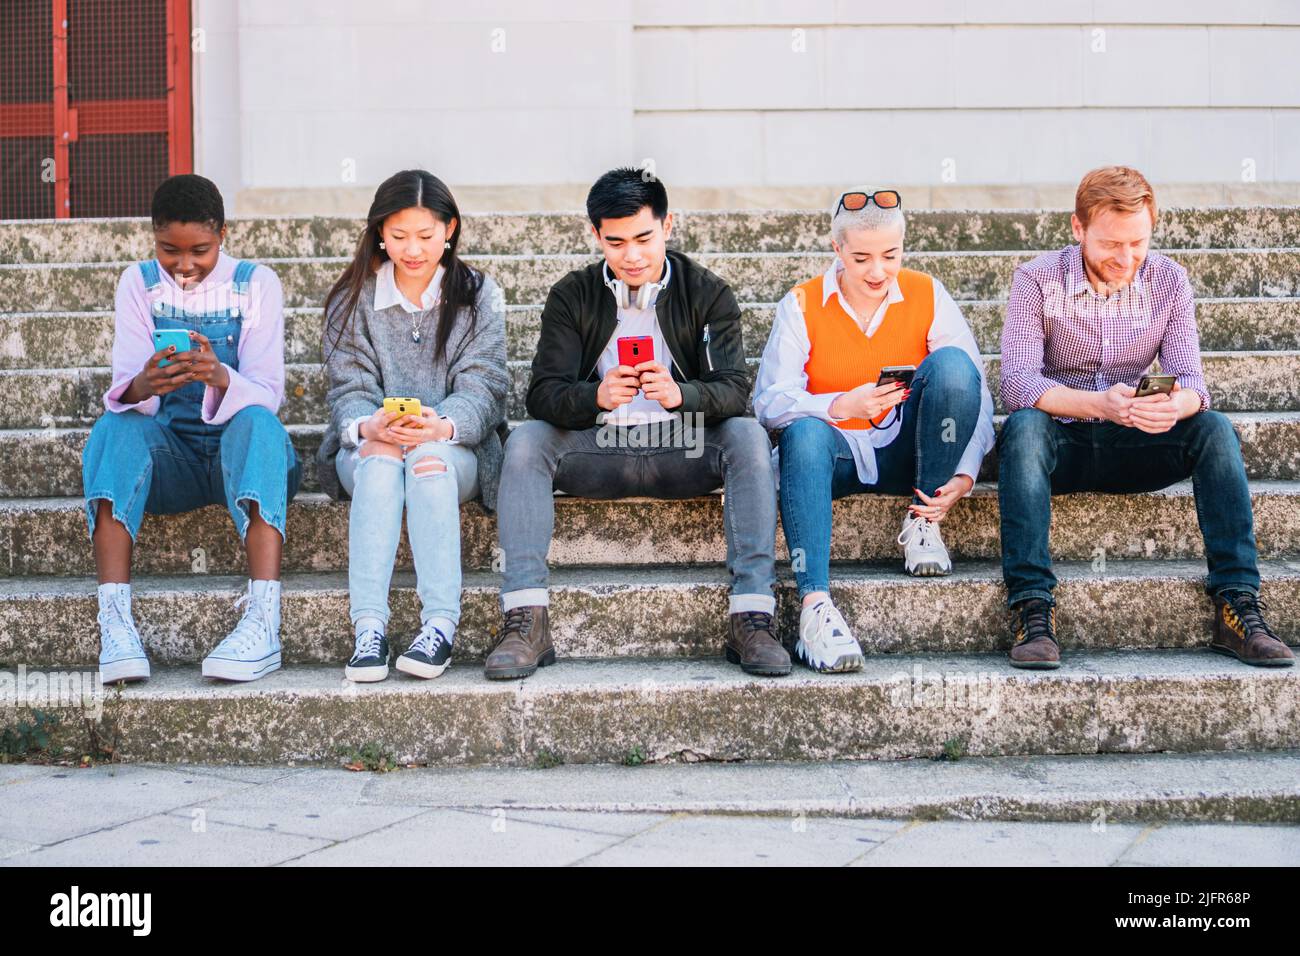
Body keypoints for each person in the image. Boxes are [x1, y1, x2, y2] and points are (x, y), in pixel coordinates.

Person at [490, 167, 787, 679]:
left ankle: (752, 616)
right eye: (616, 242)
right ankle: (526, 619)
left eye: (644, 238)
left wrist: (681, 394)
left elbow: (736, 390)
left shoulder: (708, 294)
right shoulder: (572, 295)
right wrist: (594, 396)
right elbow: (541, 394)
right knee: (526, 442)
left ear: (668, 226)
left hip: (681, 444)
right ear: (595, 236)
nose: (631, 256)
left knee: (748, 436)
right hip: (600, 445)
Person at [998, 165, 1293, 669]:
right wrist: (1098, 404)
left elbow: (1194, 385)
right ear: (1078, 228)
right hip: (1060, 446)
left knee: (1215, 429)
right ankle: (1033, 608)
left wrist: (1172, 405)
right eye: (1112, 244)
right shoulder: (1036, 279)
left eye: (1138, 243)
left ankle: (1237, 604)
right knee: (1023, 429)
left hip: (1134, 442)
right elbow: (1017, 384)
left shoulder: (1169, 280)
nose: (1126, 258)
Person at [754, 188, 994, 672]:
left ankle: (923, 519)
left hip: (911, 451)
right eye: (861, 257)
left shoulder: (929, 293)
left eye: (890, 255)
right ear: (837, 250)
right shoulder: (800, 303)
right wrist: (842, 403)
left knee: (952, 365)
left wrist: (964, 474)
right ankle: (814, 608)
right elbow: (770, 401)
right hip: (835, 452)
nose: (878, 271)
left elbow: (976, 392)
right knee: (802, 433)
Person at [82, 173, 301, 683]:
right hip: (172, 459)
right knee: (112, 429)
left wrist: (219, 375)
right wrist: (145, 384)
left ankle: (263, 621)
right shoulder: (138, 283)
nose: (184, 266)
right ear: (153, 237)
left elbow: (268, 392)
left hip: (243, 460)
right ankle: (115, 623)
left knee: (257, 423)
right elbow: (123, 390)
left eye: (199, 250)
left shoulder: (255, 284)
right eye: (168, 250)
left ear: (223, 234)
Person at [319, 169, 509, 682]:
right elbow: (347, 386)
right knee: (380, 466)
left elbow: (487, 386)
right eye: (399, 235)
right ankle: (369, 628)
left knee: (426, 464)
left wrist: (441, 425)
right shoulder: (352, 296)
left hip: (453, 446)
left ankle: (440, 625)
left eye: (426, 235)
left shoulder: (477, 295)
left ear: (450, 230)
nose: (413, 249)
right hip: (373, 443)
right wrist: (370, 426)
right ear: (380, 232)